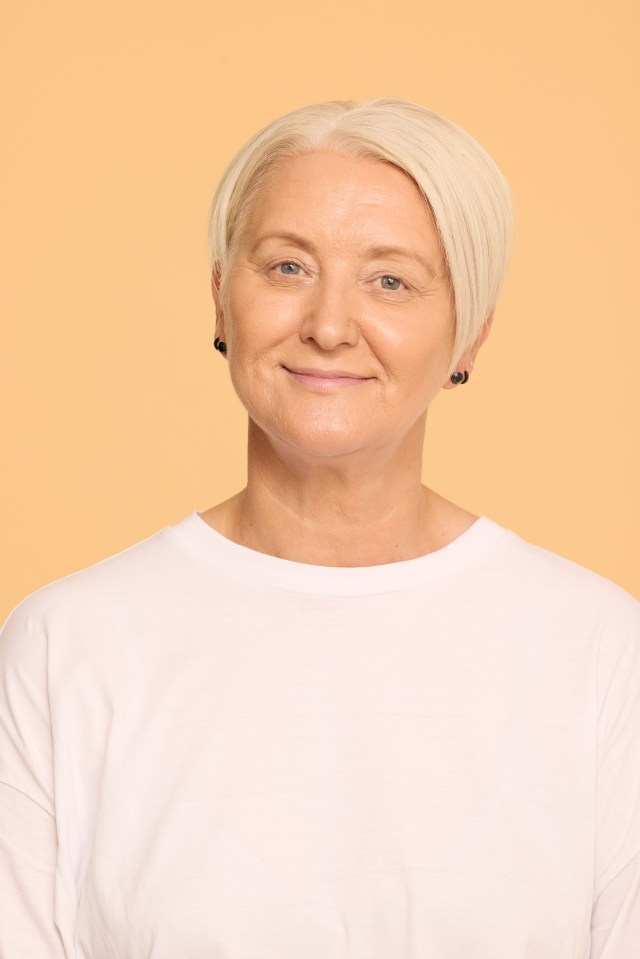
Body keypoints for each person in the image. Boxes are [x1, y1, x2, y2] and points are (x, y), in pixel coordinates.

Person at [0, 98, 638, 959]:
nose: (329, 326)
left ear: (470, 334)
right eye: (288, 266)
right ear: (222, 298)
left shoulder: (598, 650)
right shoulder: (64, 644)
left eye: (390, 280)